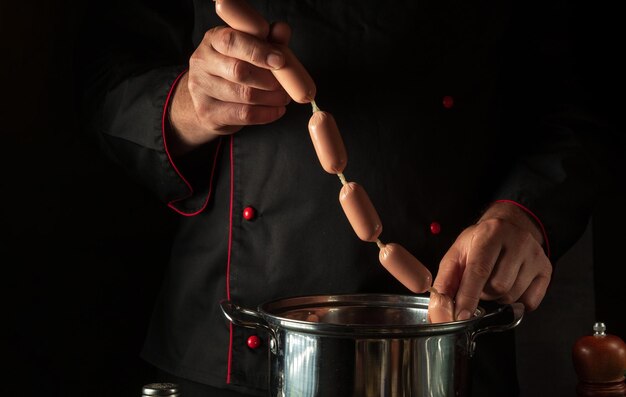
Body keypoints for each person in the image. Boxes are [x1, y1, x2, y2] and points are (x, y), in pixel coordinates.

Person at [76, 0, 617, 395]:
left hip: (447, 343)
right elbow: (106, 77)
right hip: (230, 348)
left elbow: (578, 102)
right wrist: (187, 107)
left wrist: (523, 216)